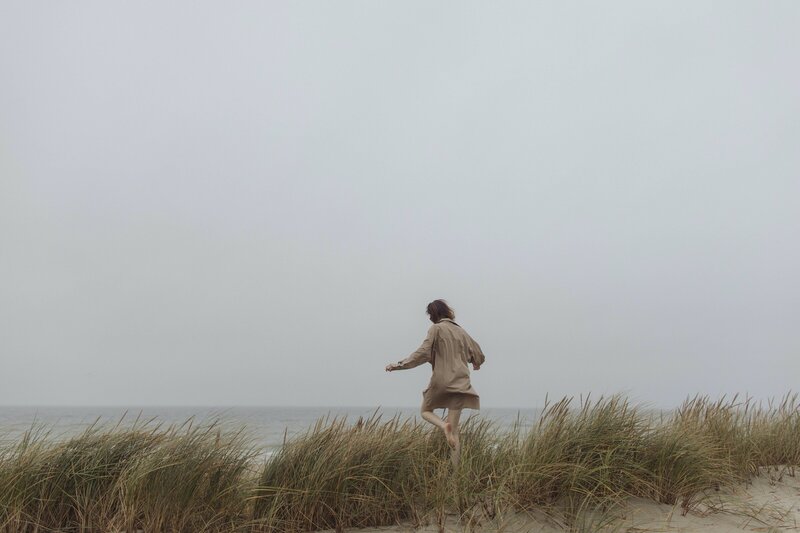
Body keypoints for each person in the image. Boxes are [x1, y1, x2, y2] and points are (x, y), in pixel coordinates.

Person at [386, 299, 485, 466]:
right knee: (455, 433)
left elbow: (422, 353)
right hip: (461, 383)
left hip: (441, 381)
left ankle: (442, 425)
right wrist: (476, 362)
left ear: (433, 315)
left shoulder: (436, 329)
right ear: (447, 311)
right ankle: (455, 477)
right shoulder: (462, 332)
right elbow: (478, 354)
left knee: (425, 411)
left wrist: (399, 365)